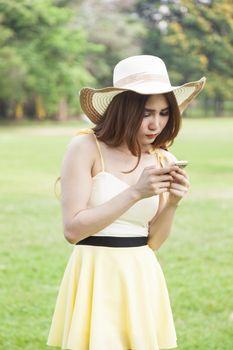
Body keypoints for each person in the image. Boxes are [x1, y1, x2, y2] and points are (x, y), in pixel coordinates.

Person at [47, 55, 206, 350]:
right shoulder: (85, 147)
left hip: (140, 274)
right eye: (146, 113)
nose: (156, 124)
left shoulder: (163, 158)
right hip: (95, 272)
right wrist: (135, 192)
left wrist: (172, 203)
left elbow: (154, 242)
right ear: (124, 110)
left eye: (164, 113)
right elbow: (73, 230)